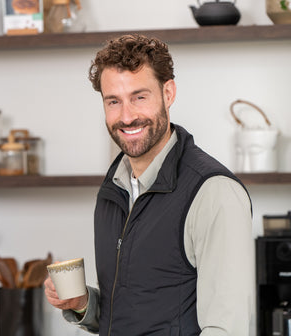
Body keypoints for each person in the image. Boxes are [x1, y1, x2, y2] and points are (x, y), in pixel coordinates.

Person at [44, 34, 254, 335]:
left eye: (139, 97)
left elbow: (227, 328)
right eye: (113, 101)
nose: (126, 116)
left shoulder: (214, 192)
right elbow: (133, 310)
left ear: (168, 93)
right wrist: (83, 303)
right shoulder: (113, 187)